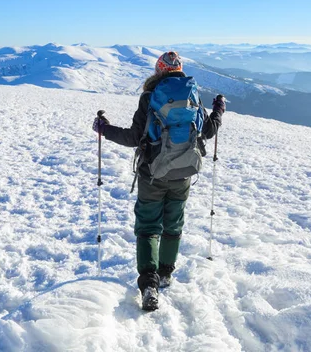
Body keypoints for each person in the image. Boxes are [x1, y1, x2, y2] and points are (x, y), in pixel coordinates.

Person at [93, 51, 225, 311]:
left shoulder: (149, 97)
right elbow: (208, 131)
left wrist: (103, 128)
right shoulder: (193, 95)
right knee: (173, 224)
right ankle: (166, 273)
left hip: (152, 173)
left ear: (159, 71)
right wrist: (219, 109)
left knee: (148, 226)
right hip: (184, 171)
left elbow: (133, 137)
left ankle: (149, 284)